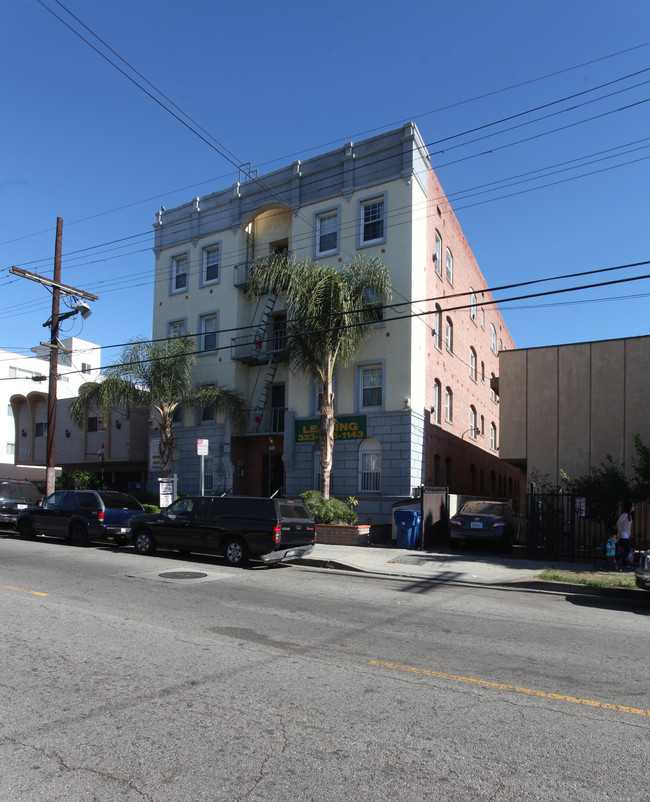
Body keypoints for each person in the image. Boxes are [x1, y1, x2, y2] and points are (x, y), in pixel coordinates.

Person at [616, 501, 636, 569]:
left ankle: (624, 563)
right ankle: (617, 559)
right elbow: (618, 522)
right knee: (628, 549)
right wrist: (620, 532)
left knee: (626, 549)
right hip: (623, 535)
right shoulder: (625, 514)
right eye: (633, 506)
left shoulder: (629, 515)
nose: (634, 507)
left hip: (626, 535)